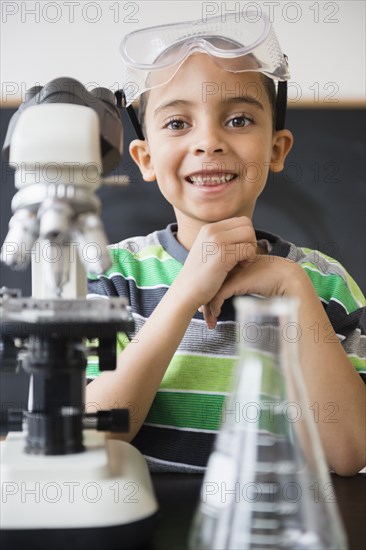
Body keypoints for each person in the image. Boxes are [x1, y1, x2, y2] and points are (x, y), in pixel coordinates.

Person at [86, 12, 365, 476]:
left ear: (276, 150)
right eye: (177, 123)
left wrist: (294, 288)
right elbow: (93, 434)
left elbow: (352, 452)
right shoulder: (112, 277)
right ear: (146, 157)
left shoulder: (326, 284)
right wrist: (184, 294)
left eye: (238, 119)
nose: (209, 141)